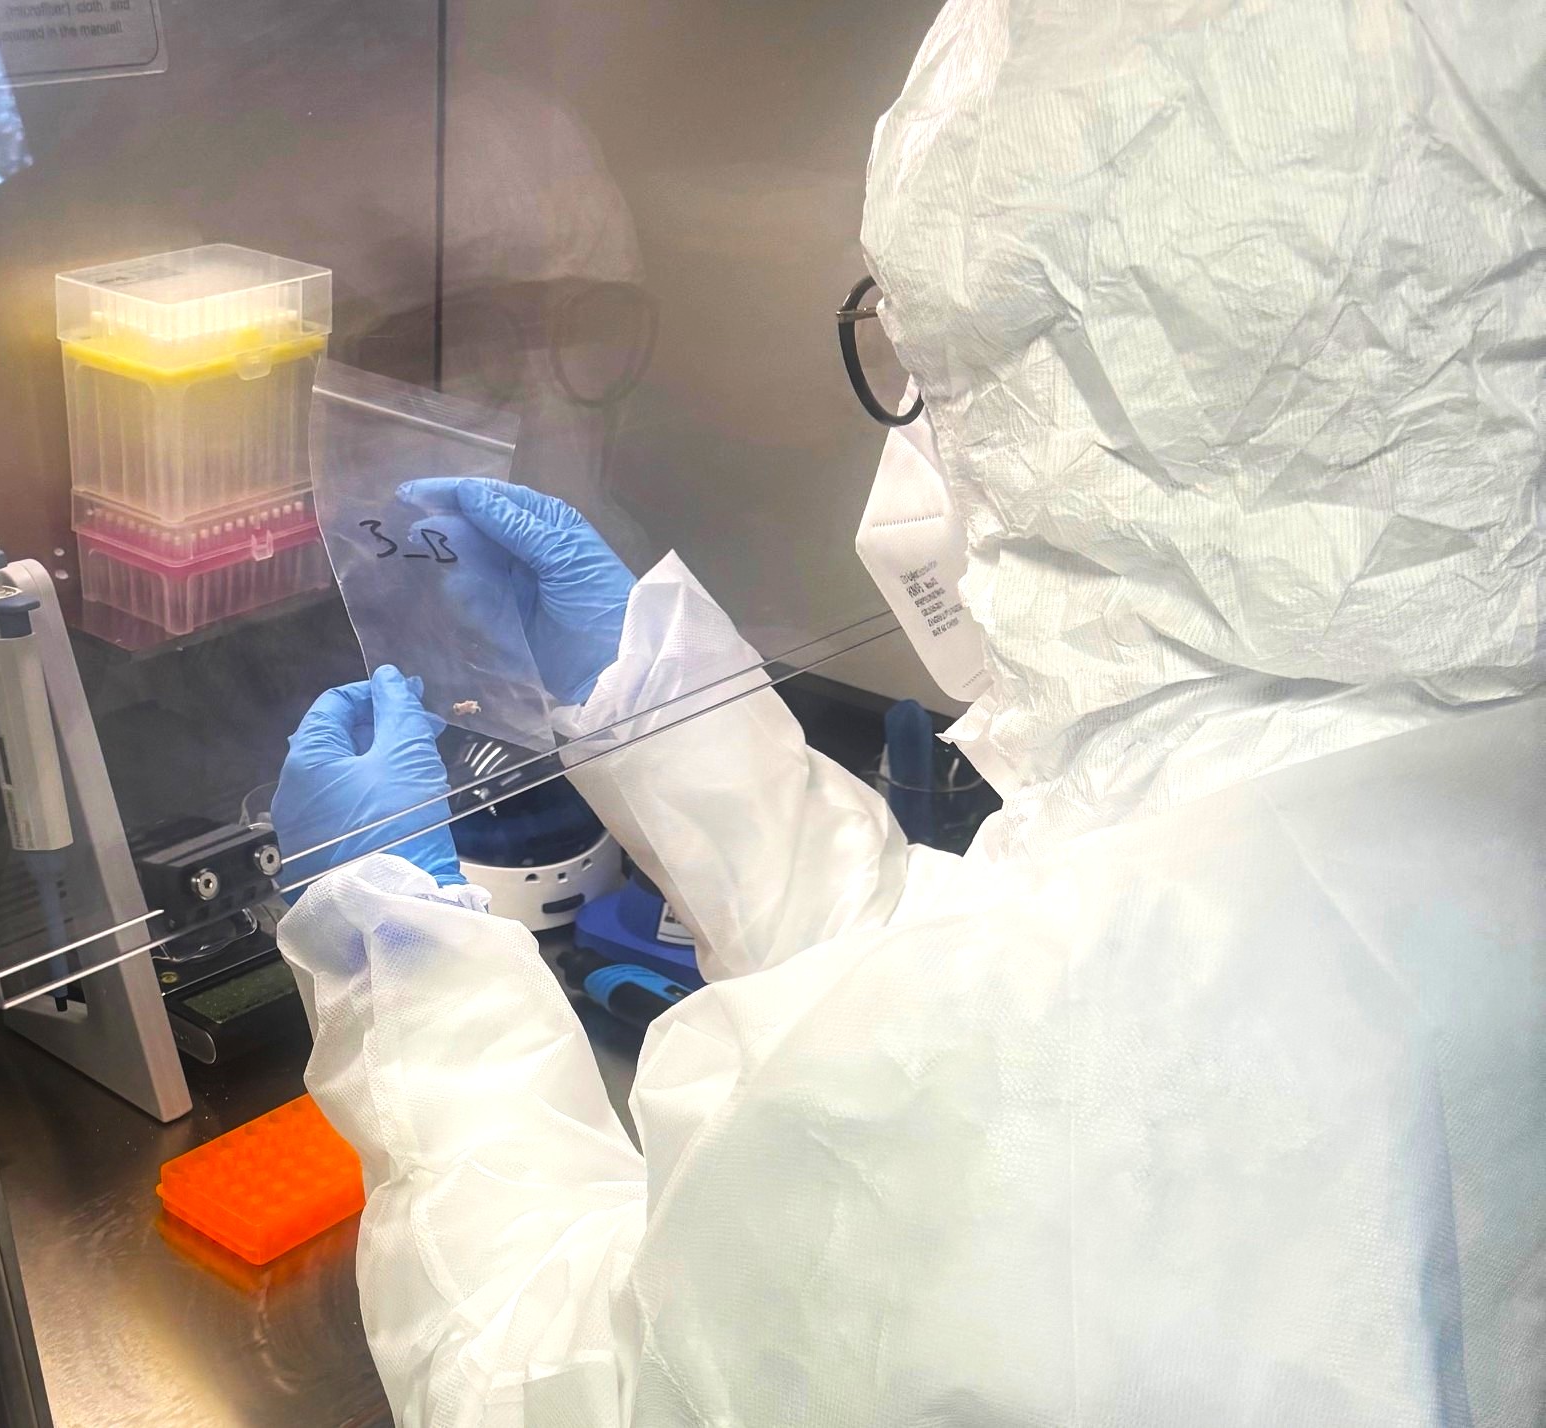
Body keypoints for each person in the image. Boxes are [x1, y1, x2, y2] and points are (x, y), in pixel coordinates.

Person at [270, 1, 1545, 1423]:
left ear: (1096, 398)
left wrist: (399, 968)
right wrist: (663, 704)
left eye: (932, 365)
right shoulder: (1448, 800)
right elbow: (1061, 975)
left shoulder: (1016, 1085)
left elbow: (556, 1381)